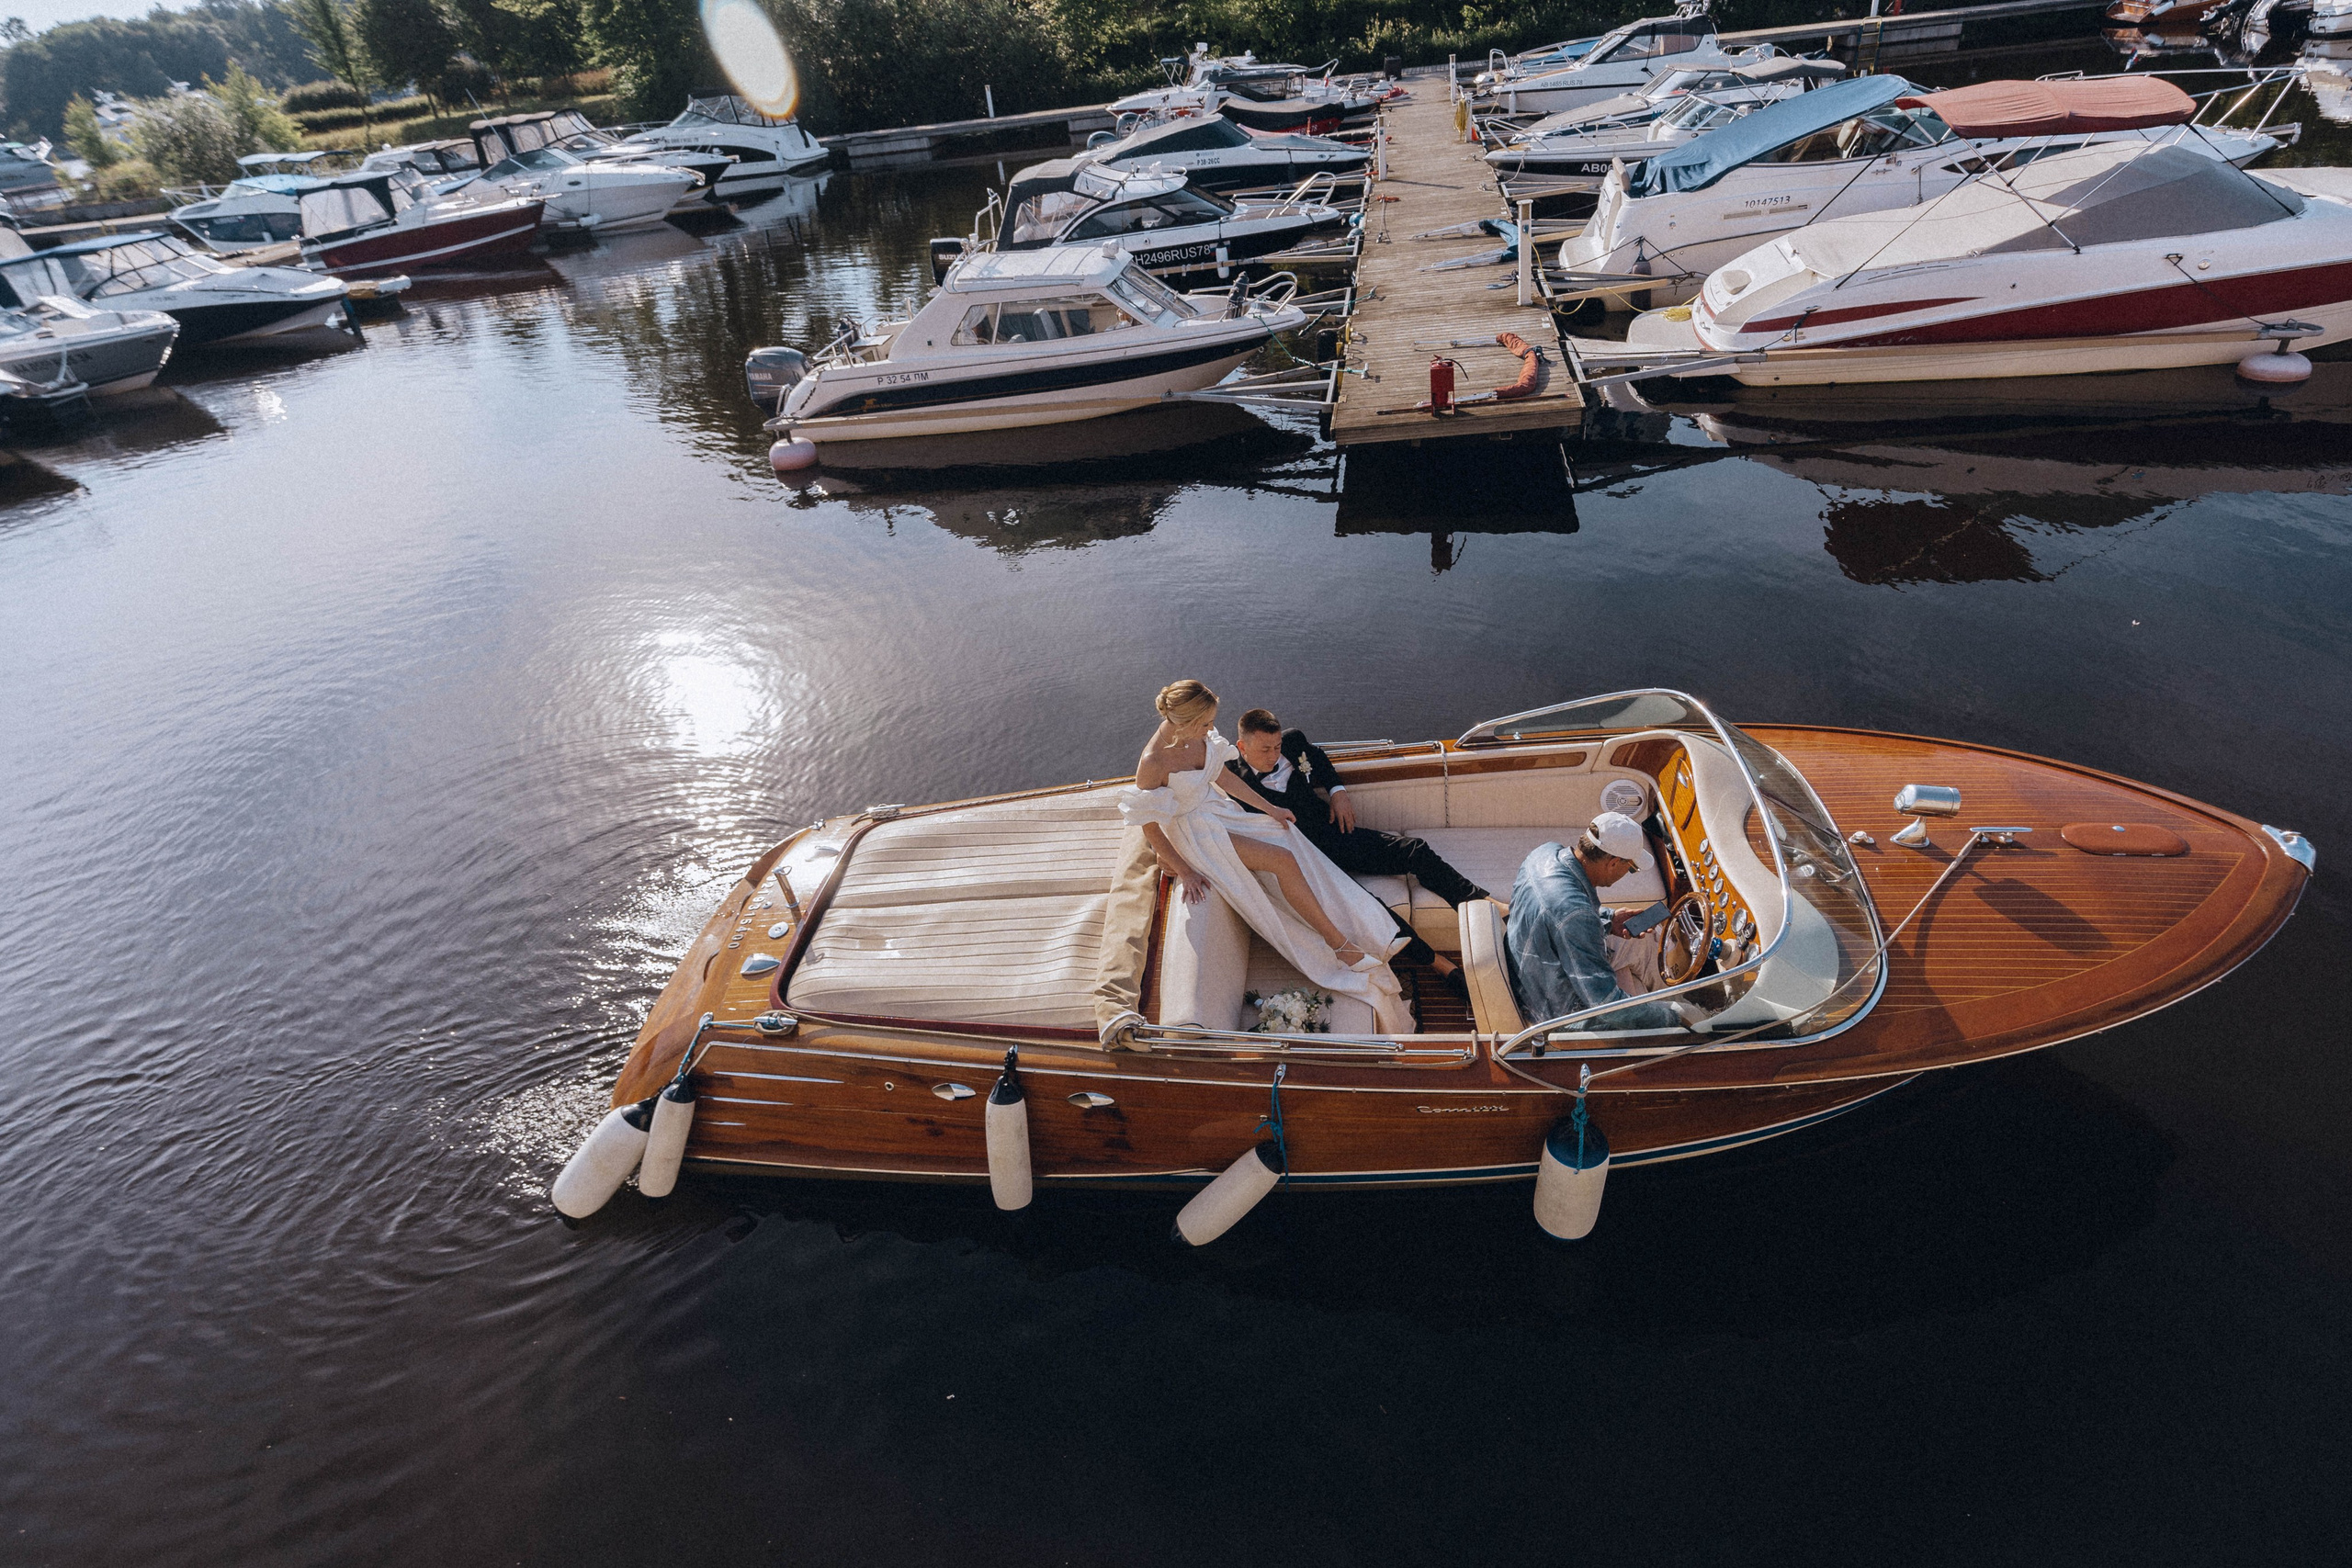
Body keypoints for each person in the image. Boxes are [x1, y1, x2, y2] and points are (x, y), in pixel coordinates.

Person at [1120, 680, 1414, 1035]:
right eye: (1206, 723)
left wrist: (1270, 809)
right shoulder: (1153, 762)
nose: (1212, 729)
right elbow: (1150, 826)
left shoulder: (1197, 735)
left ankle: (1353, 921)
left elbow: (1223, 777)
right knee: (1282, 859)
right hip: (1197, 834)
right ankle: (1339, 945)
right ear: (1186, 722)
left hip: (1218, 813)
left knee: (1286, 835)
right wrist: (1185, 870)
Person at [1225, 707, 1499, 1003]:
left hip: (1336, 835)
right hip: (1306, 862)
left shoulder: (1294, 741)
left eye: (1277, 747)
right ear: (1242, 747)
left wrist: (1338, 792)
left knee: (1415, 850)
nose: (1274, 755)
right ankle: (1441, 965)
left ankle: (1484, 905)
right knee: (1372, 910)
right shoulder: (1230, 779)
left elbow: (1318, 758)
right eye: (1265, 749)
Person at [1504, 811, 1690, 1033]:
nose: (1628, 873)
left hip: (1533, 966)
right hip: (1555, 1011)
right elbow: (1607, 1007)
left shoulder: (1543, 854)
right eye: (1631, 868)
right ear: (1613, 863)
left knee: (1646, 938)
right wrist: (1672, 1018)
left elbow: (1558, 913)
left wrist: (1609, 919)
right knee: (1671, 1024)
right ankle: (1684, 1015)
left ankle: (1680, 996)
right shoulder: (1577, 916)